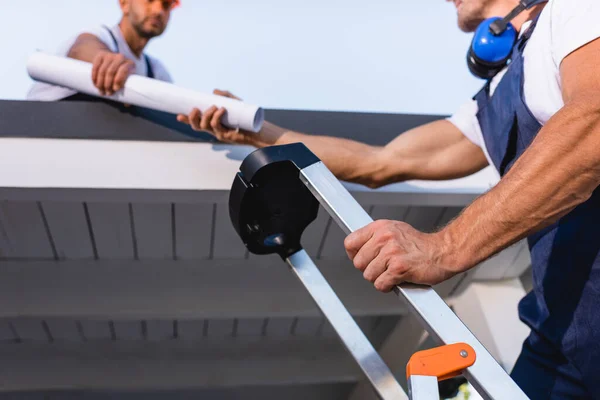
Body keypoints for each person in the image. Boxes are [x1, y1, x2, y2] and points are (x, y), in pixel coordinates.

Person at [180, 0, 600, 397]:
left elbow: (593, 123)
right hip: (564, 336)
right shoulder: (488, 104)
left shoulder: (575, 12)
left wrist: (445, 247)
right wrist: (257, 132)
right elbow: (379, 163)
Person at [27, 0, 179, 101]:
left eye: (166, 5)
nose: (159, 11)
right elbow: (81, 48)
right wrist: (104, 60)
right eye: (150, 0)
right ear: (124, 3)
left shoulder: (156, 73)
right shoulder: (100, 36)